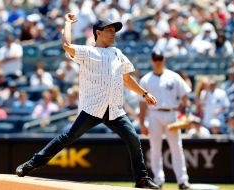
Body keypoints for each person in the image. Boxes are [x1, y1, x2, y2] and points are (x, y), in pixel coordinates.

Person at [16, 13, 159, 189]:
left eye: (114, 30)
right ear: (98, 33)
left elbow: (127, 80)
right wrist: (68, 23)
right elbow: (67, 45)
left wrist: (144, 94)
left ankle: (141, 179)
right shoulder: (88, 51)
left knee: (133, 139)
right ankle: (32, 163)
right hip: (92, 109)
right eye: (109, 30)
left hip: (114, 110)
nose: (113, 33)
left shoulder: (117, 53)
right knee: (67, 138)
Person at [139, 50, 191, 190]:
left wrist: (185, 115)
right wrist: (142, 122)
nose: (158, 61)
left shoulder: (174, 77)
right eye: (155, 58)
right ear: (152, 60)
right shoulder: (145, 79)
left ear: (164, 60)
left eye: (160, 58)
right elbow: (142, 103)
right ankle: (158, 180)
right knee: (155, 149)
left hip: (171, 114)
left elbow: (185, 98)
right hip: (154, 114)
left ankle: (182, 181)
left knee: (177, 148)